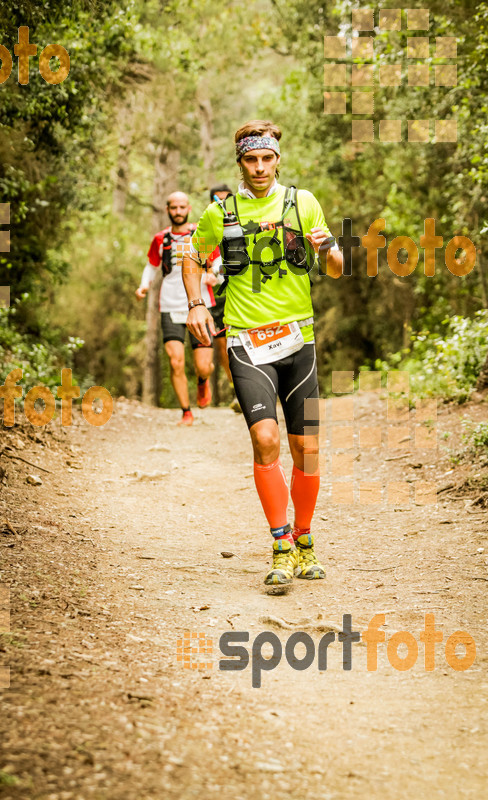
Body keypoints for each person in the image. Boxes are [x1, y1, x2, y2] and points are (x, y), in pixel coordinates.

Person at [182, 120, 342, 591]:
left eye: (266, 158)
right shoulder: (220, 212)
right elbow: (191, 258)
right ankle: (280, 545)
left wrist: (327, 246)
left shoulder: (302, 203)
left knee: (307, 450)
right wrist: (195, 304)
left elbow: (336, 268)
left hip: (300, 342)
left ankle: (306, 538)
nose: (259, 167)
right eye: (250, 159)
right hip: (247, 343)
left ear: (277, 159)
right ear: (240, 163)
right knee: (267, 441)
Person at [135, 191, 216, 426]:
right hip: (170, 305)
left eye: (182, 207)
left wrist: (214, 275)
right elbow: (151, 266)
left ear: (189, 208)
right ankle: (186, 411)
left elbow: (218, 261)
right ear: (167, 210)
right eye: (174, 208)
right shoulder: (160, 239)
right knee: (175, 361)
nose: (178, 212)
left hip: (201, 304)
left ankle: (203, 381)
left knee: (203, 365)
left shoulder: (201, 234)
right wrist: (143, 286)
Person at [206, 184, 242, 413]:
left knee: (241, 340)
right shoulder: (204, 229)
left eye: (226, 199)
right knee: (222, 347)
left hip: (240, 294)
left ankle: (245, 391)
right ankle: (235, 386)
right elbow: (192, 262)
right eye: (217, 200)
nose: (222, 203)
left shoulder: (242, 224)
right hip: (217, 298)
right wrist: (205, 273)